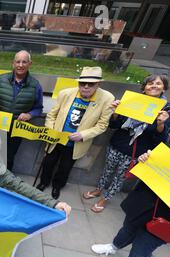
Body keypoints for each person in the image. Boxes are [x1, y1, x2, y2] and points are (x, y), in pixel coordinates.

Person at [83, 74, 170, 213]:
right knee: (107, 170)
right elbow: (114, 125)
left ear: (164, 88)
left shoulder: (168, 110)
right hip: (117, 145)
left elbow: (161, 139)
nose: (154, 86)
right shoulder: (132, 101)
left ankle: (106, 198)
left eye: (158, 83)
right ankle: (98, 189)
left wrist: (160, 124)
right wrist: (115, 113)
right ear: (144, 87)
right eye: (150, 83)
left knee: (120, 178)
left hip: (136, 152)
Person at [91, 142, 170, 257]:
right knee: (128, 228)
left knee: (143, 247)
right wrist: (146, 159)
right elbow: (164, 160)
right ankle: (114, 247)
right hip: (145, 199)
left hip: (169, 216)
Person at [37, 66, 114, 199]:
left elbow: (102, 125)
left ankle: (57, 186)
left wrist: (83, 135)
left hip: (76, 143)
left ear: (98, 84)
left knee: (65, 167)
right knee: (48, 162)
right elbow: (51, 115)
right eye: (82, 83)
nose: (85, 87)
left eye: (90, 84)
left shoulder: (107, 99)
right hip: (57, 139)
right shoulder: (66, 93)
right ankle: (43, 182)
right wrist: (51, 131)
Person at [0, 50, 43, 170]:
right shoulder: (1, 80)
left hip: (16, 129)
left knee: (9, 156)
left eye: (24, 62)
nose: (20, 65)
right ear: (13, 63)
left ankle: (4, 180)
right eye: (18, 62)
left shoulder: (35, 85)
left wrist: (29, 115)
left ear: (30, 64)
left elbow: (38, 108)